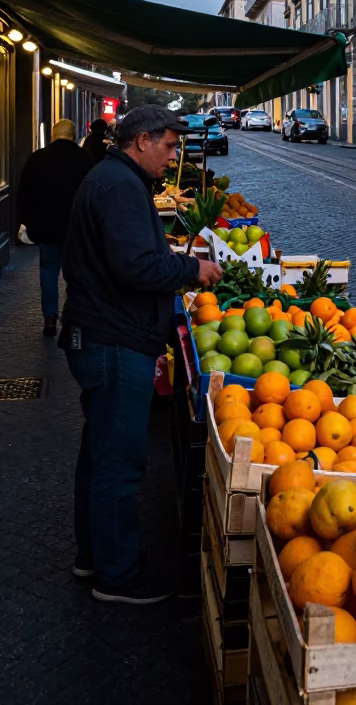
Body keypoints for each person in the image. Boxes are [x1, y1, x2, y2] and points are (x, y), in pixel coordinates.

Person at [60, 105, 223, 605]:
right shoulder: (121, 187)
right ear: (142, 141)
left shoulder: (112, 179)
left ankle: (94, 556)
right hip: (114, 341)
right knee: (119, 463)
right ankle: (117, 576)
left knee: (100, 454)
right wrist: (188, 270)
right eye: (170, 146)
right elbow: (134, 267)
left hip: (103, 335)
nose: (173, 156)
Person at [18, 119, 95, 336]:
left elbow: (24, 194)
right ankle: (73, 318)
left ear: (53, 135)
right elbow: (94, 195)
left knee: (48, 270)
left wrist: (28, 223)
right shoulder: (85, 159)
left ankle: (50, 318)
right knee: (76, 273)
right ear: (72, 135)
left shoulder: (37, 158)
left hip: (46, 227)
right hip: (77, 229)